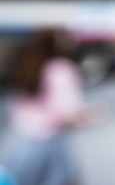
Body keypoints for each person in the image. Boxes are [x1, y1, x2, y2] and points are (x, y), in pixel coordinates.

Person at [0, 28, 95, 185]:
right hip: (49, 142)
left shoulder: (26, 63)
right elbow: (66, 113)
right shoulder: (61, 68)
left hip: (20, 140)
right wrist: (90, 115)